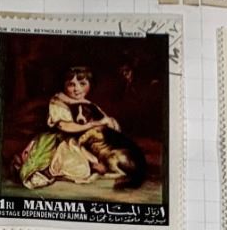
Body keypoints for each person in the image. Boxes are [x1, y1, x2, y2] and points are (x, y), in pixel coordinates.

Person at [15, 65, 143, 189]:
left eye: (82, 84)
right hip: (59, 140)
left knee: (92, 160)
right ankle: (47, 173)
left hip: (82, 142)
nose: (77, 89)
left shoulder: (89, 104)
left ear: (90, 85)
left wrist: (109, 122)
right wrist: (94, 124)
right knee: (76, 165)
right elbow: (65, 126)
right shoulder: (57, 101)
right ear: (64, 85)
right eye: (71, 84)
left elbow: (107, 125)